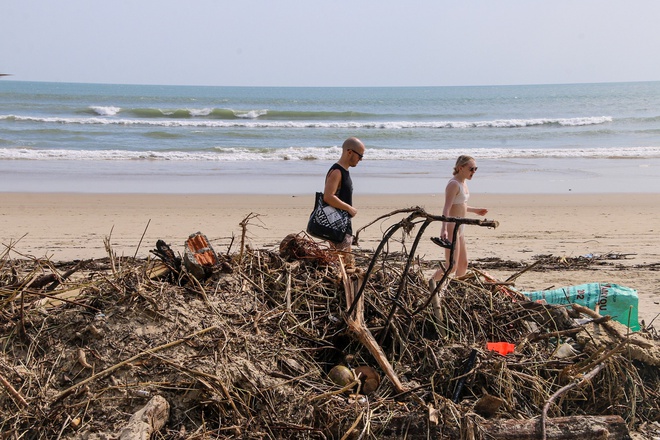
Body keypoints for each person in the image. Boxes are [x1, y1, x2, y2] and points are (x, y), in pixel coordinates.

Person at [430, 155, 488, 284]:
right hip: (452, 227)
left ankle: (455, 288)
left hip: (461, 227)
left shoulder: (464, 183)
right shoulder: (453, 184)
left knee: (463, 264)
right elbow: (447, 209)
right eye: (471, 169)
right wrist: (444, 228)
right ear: (460, 168)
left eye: (475, 169)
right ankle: (431, 284)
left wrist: (475, 210)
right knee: (452, 265)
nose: (474, 172)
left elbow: (460, 206)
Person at [322, 137, 365, 254]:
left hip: (343, 225)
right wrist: (349, 208)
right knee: (341, 262)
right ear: (349, 152)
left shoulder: (344, 171)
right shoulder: (337, 172)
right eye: (360, 156)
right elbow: (328, 196)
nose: (360, 159)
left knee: (345, 262)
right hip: (337, 227)